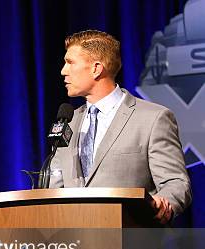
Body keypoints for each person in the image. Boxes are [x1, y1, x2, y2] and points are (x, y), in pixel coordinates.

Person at [51, 30, 191, 223]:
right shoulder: (68, 121)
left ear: (96, 68)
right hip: (73, 242)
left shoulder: (153, 118)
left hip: (132, 240)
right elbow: (54, 185)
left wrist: (164, 203)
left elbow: (176, 182)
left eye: (70, 62)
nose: (63, 71)